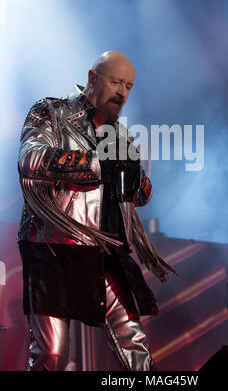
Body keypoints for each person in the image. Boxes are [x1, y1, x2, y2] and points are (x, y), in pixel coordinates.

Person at [17, 50, 176, 371]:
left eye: (129, 86)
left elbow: (140, 196)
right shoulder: (51, 110)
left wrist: (138, 180)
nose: (122, 92)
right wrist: (95, 165)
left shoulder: (121, 135)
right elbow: (29, 160)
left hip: (106, 254)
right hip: (53, 249)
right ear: (92, 79)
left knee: (135, 347)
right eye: (117, 82)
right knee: (52, 353)